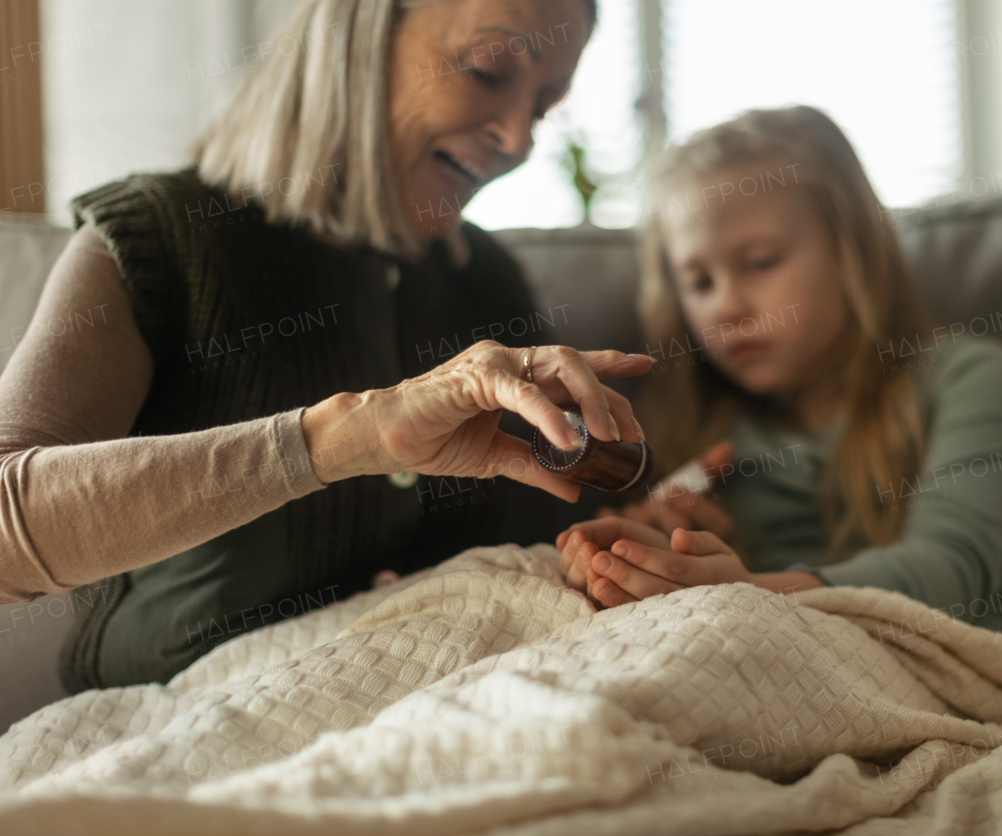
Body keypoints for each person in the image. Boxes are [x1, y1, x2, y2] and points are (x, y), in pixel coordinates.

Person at [0, 0, 655, 690]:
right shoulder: (160, 240)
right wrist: (344, 439)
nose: (519, 138)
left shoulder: (486, 284)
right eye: (490, 70)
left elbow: (542, 540)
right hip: (181, 739)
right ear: (357, 34)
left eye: (546, 108)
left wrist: (627, 538)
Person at [557, 106, 1002, 652]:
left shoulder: (971, 381)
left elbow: (949, 569)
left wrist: (744, 590)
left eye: (761, 262)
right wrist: (657, 559)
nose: (727, 306)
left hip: (974, 666)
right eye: (699, 282)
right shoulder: (702, 429)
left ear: (853, 253)